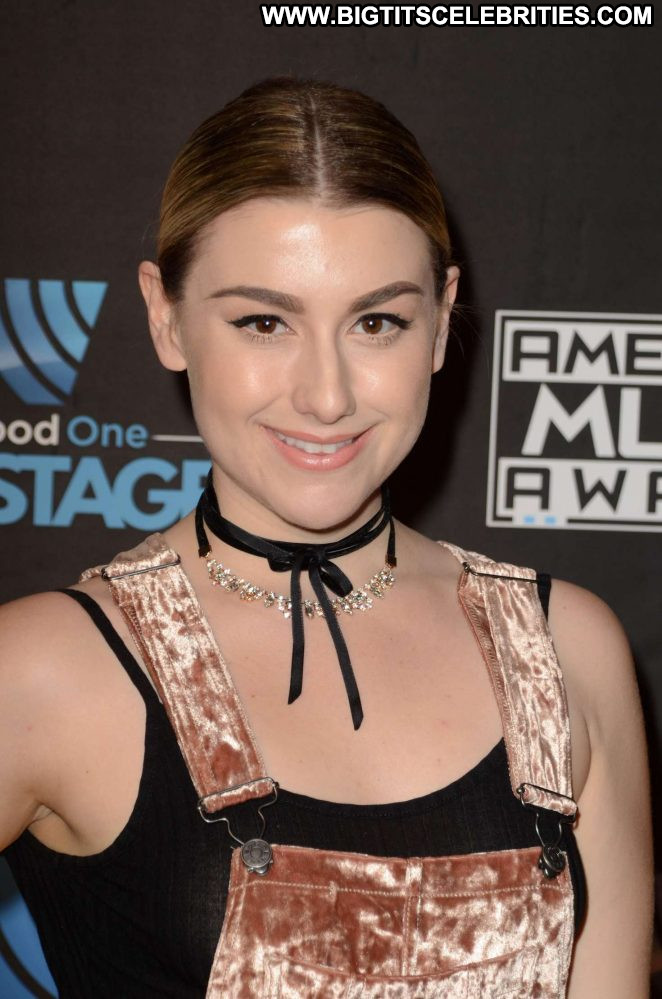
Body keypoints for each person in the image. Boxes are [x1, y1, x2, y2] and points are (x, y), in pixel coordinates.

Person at [0, 78, 652, 998]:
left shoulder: (566, 648)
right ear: (165, 316)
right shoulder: (42, 668)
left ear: (441, 321)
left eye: (377, 322)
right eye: (264, 322)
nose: (327, 395)